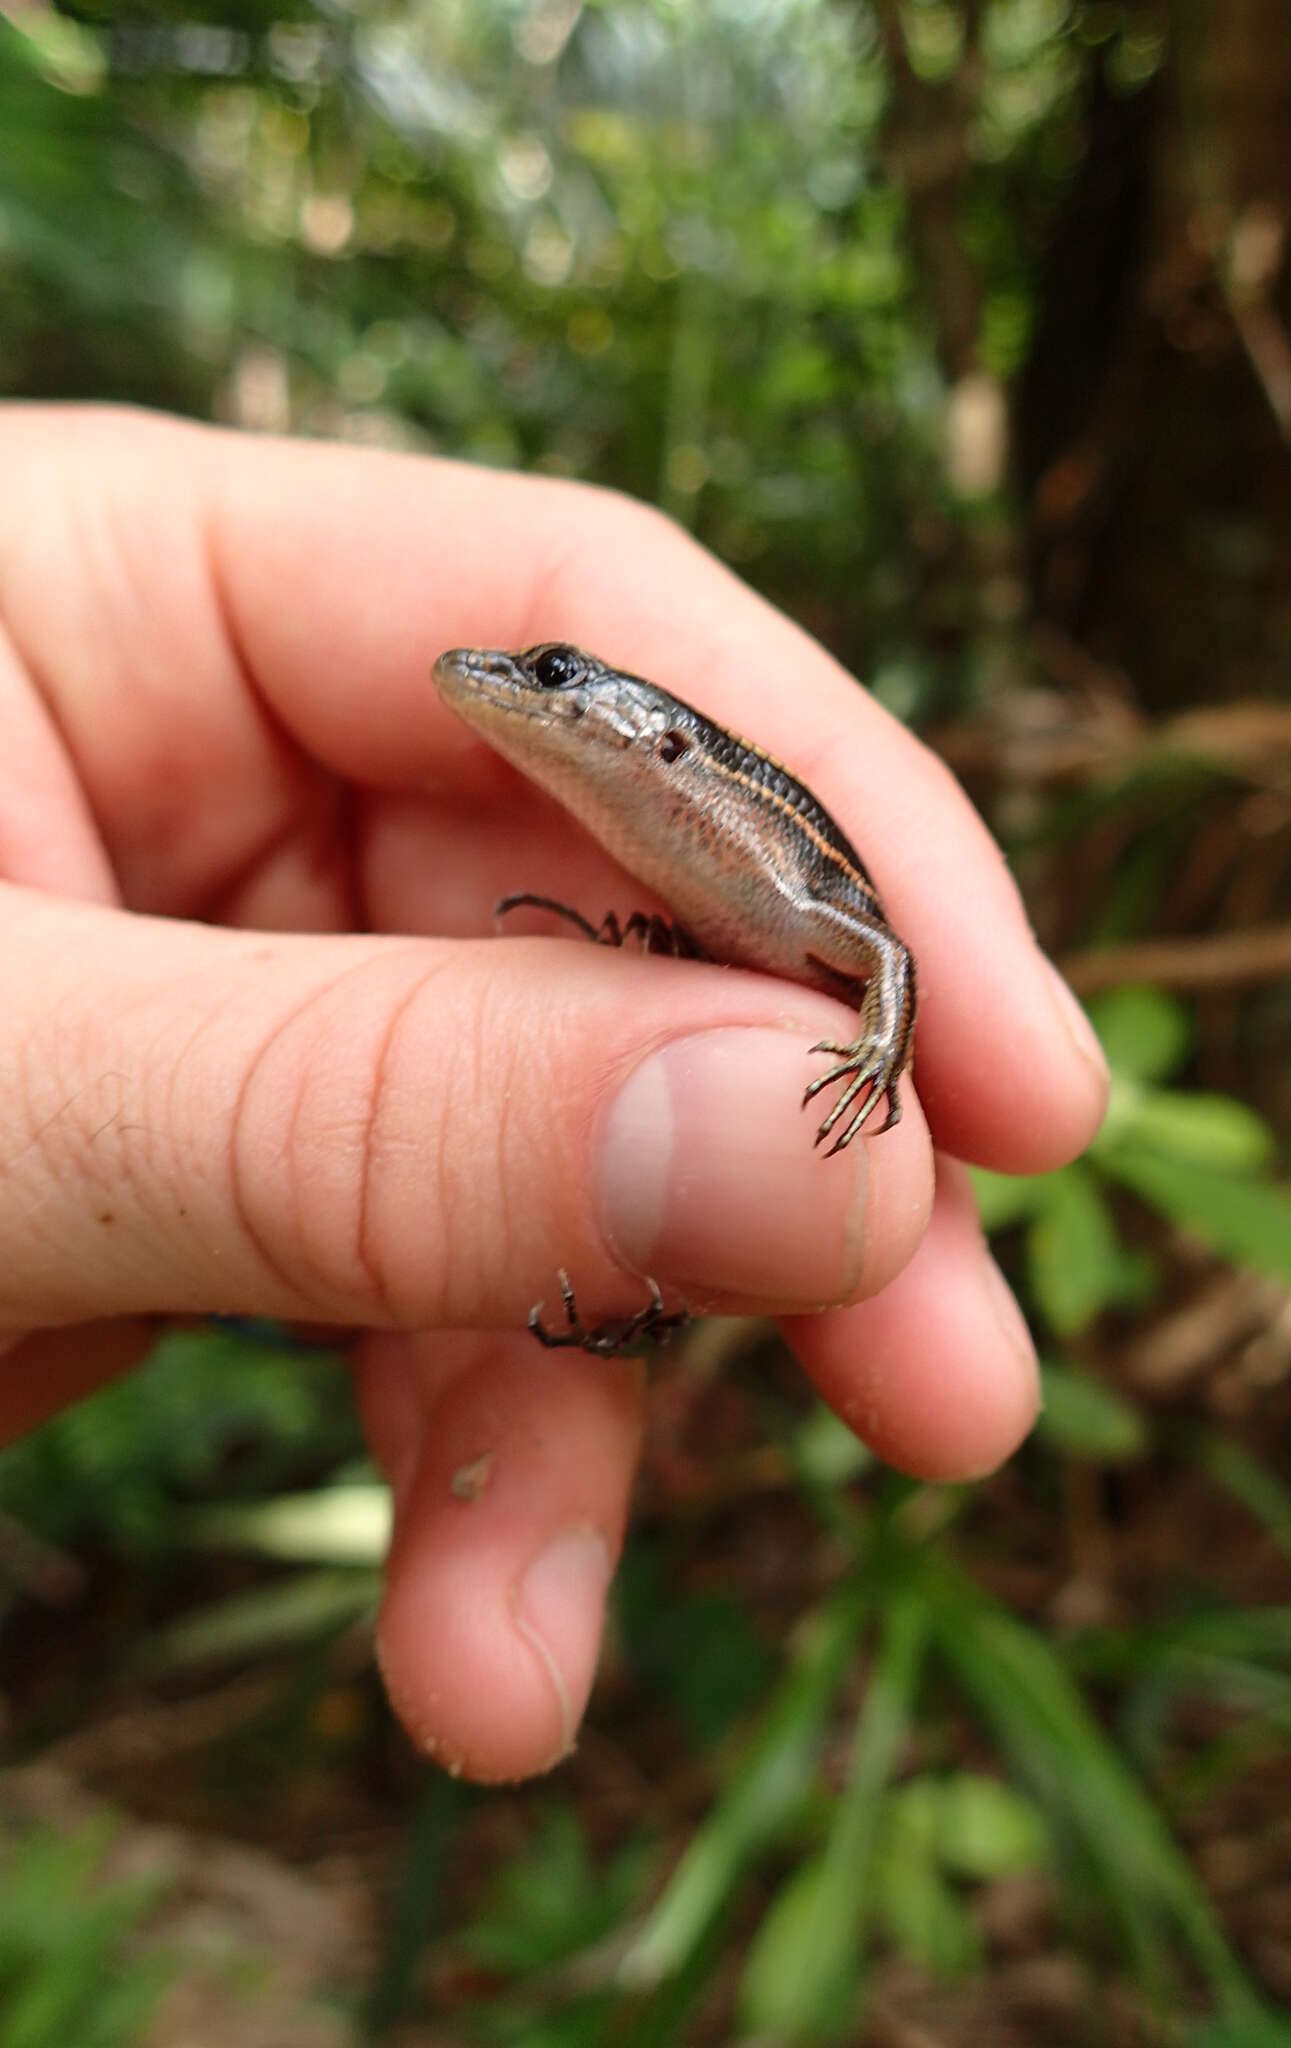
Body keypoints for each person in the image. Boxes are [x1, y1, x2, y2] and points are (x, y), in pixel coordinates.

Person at [0, 405, 1109, 1781]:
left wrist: (879, 1055)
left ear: (662, 742)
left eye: (558, 675)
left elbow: (884, 951)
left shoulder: (792, 878)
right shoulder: (676, 857)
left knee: (698, 1268)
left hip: (812, 1135)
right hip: (750, 1113)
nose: (521, 686)